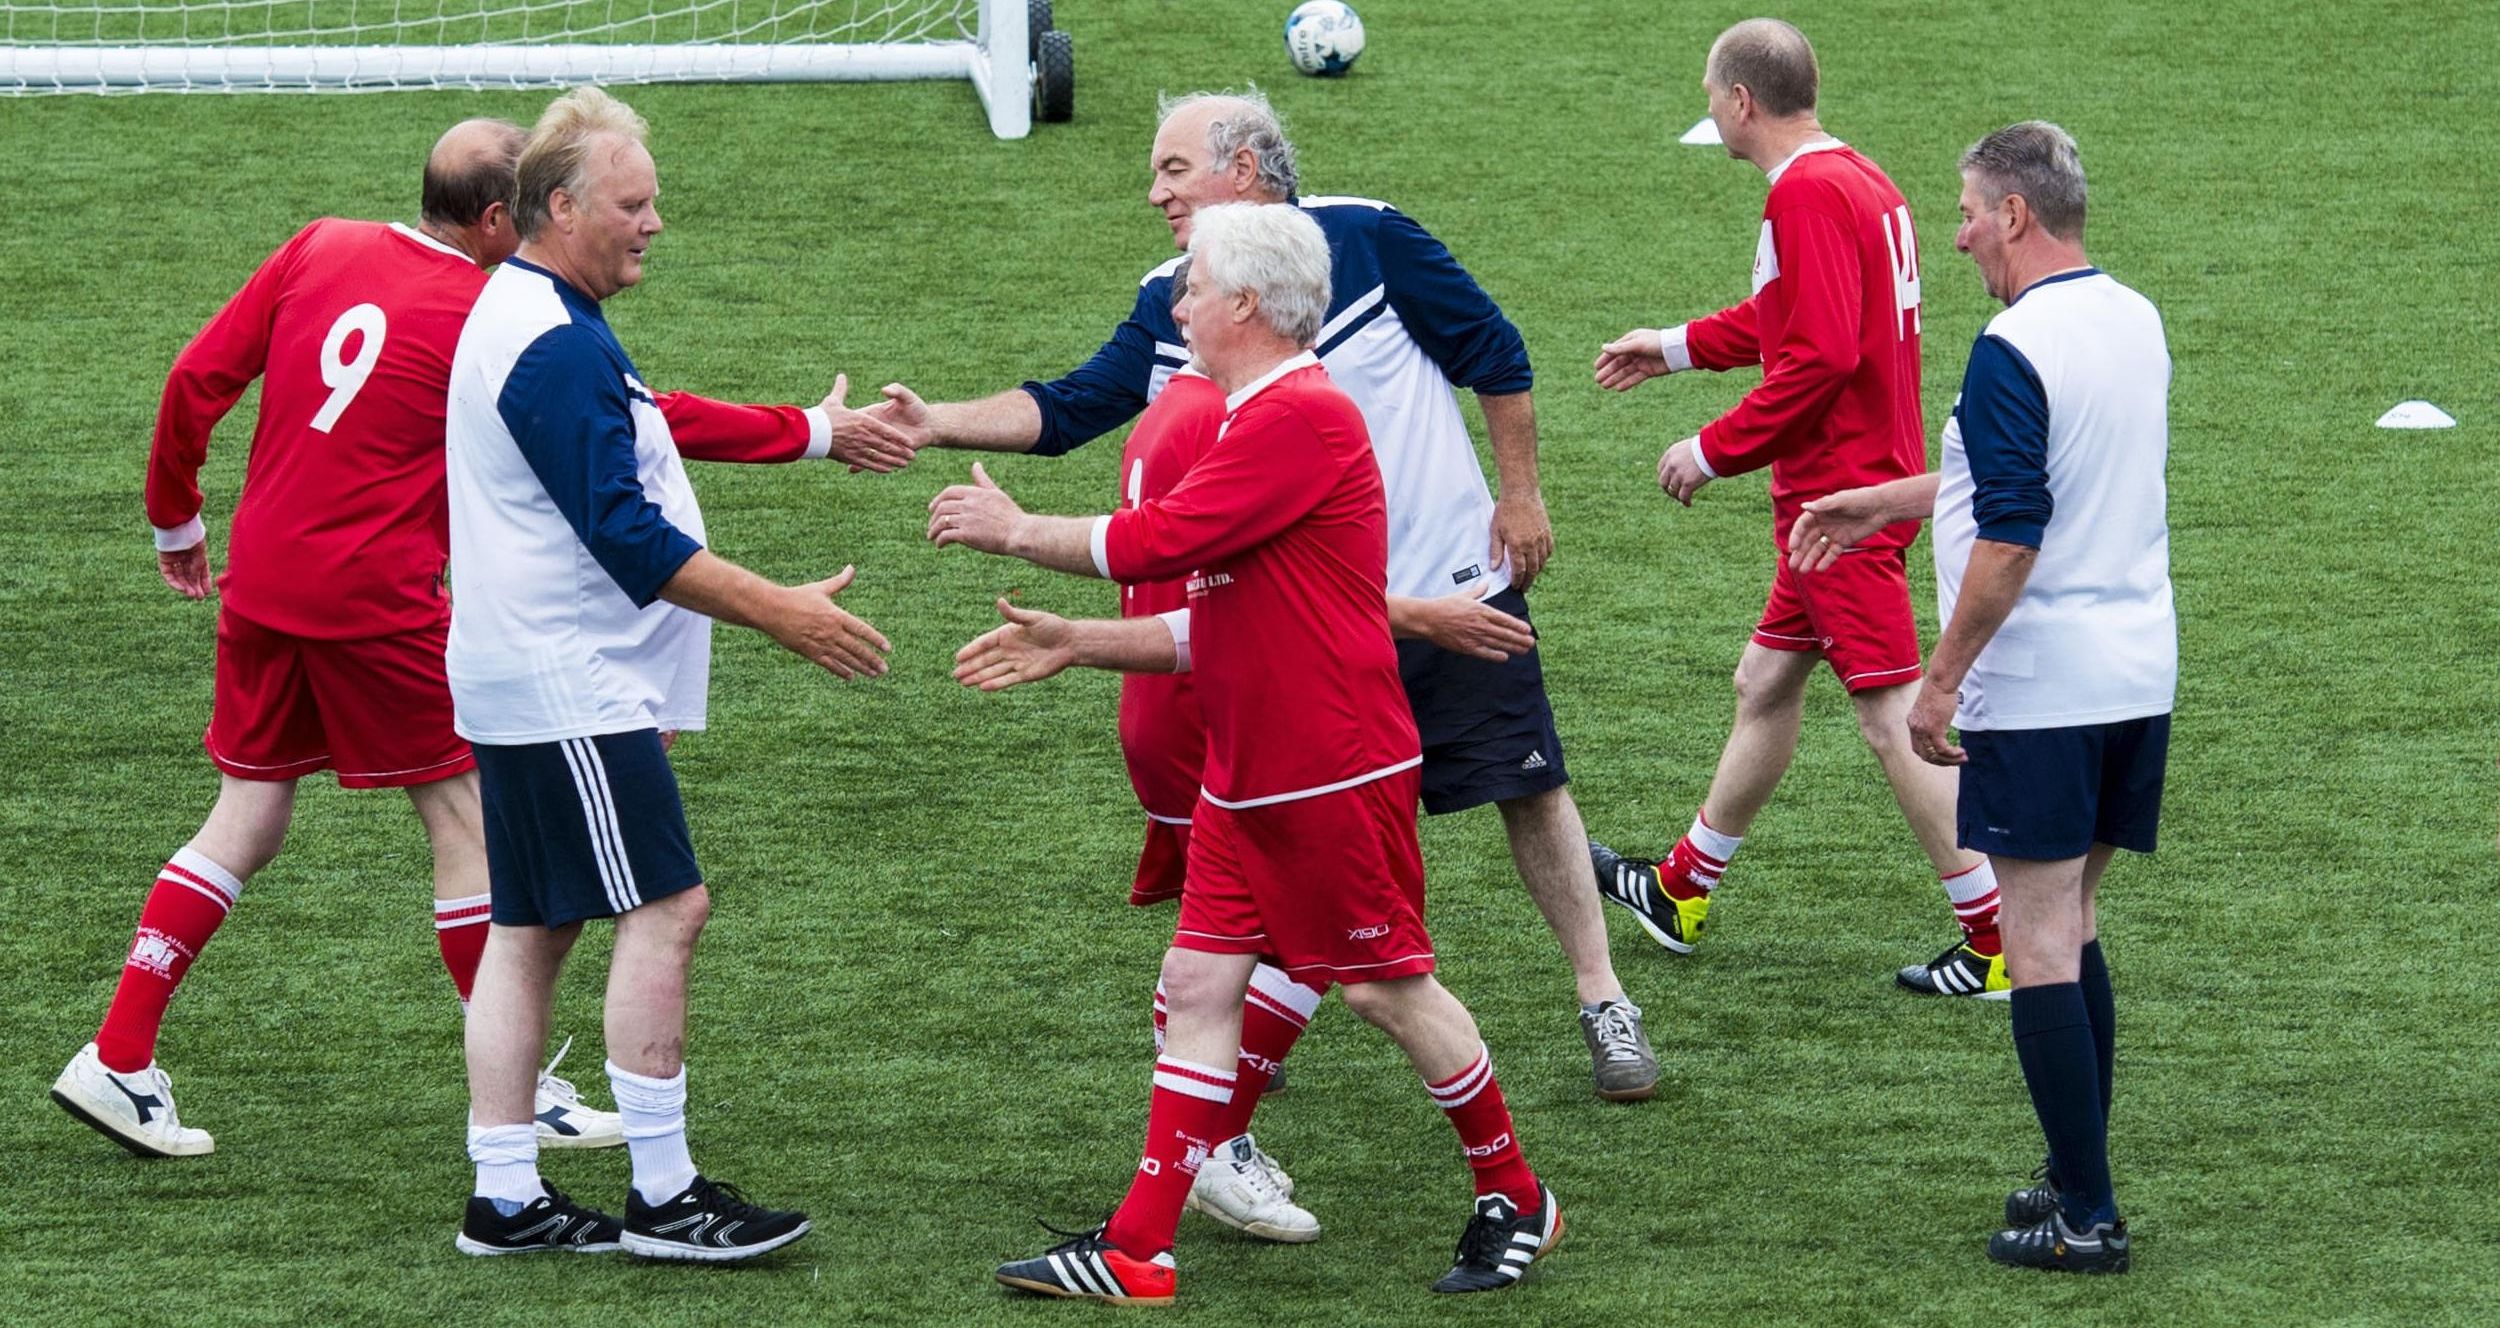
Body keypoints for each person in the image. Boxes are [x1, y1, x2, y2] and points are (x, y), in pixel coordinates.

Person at [48, 119, 904, 1164]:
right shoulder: (486, 312)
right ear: (502, 218)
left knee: (247, 813)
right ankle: (526, 1090)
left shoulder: (319, 243)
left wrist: (176, 520)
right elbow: (643, 416)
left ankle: (119, 1052)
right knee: (469, 823)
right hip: (375, 602)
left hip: (262, 579)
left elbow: (195, 378)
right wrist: (810, 430)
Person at [879, 88, 1656, 1101]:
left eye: (1171, 168)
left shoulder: (1370, 239)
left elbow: (1494, 352)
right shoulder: (1180, 296)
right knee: (1280, 827)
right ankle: (1245, 1034)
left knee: (1524, 779)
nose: (1152, 189)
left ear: (1241, 170)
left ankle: (1602, 999)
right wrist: (937, 420)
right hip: (1309, 633)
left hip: (1447, 584)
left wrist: (1519, 493)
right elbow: (1073, 404)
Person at [933, 203, 1561, 1304]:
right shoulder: (1241, 418)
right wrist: (1076, 642)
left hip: (1330, 762)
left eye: (1192, 287)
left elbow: (1155, 543)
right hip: (1248, 765)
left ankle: (1515, 1191)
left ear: (1247, 306)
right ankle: (1136, 1246)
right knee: (1197, 979)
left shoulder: (1298, 419)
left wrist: (1017, 531)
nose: (1173, 307)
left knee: (1382, 986)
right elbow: (1213, 615)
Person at [446, 87, 893, 1261]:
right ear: (559, 206)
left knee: (532, 923)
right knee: (667, 906)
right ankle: (664, 1193)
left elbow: (639, 435)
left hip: (527, 672)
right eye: (634, 204)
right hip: (565, 679)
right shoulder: (546, 339)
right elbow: (625, 534)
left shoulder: (542, 311)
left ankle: (505, 1195)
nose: (654, 224)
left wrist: (801, 431)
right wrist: (780, 610)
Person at [1792, 122, 2171, 1273]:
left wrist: (1939, 681)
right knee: (2072, 920)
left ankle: (2089, 1215)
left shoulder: (2014, 344)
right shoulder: (2132, 316)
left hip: (2043, 685)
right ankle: (2072, 1174)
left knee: (2036, 937)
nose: (1953, 233)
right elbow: (2020, 476)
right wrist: (1882, 500)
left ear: (2015, 213)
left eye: (1965, 210)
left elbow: (2009, 535)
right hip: (2135, 670)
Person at [1585, 18, 2005, 997]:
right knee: (1763, 681)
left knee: (1891, 711)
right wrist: (1674, 344)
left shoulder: (1807, 194)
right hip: (1865, 474)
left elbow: (1816, 357)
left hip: (1839, 498)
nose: (1708, 109)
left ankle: (1995, 940)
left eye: (1708, 92)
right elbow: (1797, 323)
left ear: (1740, 101)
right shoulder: (1858, 176)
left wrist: (1710, 448)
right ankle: (1681, 888)